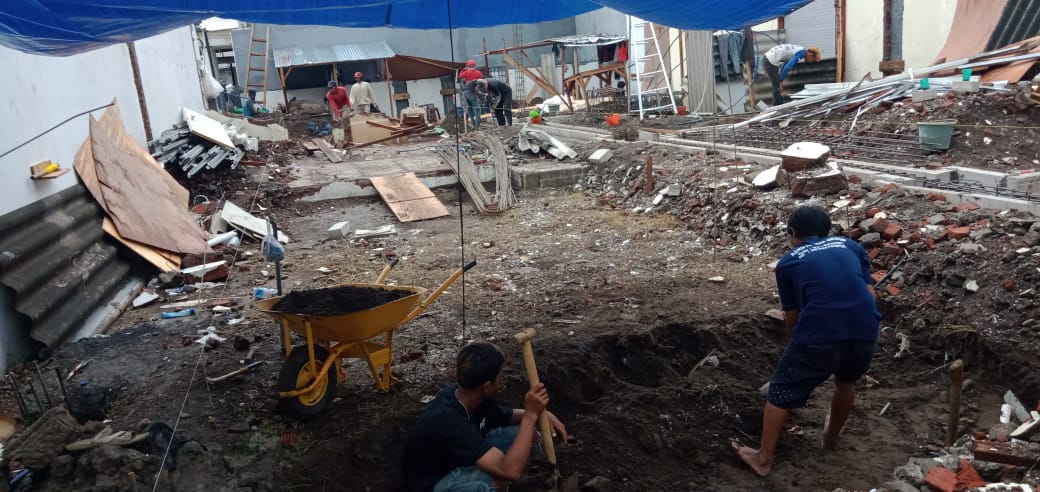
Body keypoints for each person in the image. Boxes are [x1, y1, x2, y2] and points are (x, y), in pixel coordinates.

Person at [733, 205, 880, 477]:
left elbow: (793, 316)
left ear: (792, 232)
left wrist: (792, 345)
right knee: (846, 383)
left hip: (821, 331)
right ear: (826, 230)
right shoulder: (849, 245)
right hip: (866, 326)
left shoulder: (789, 262)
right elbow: (870, 294)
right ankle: (829, 440)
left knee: (780, 390)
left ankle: (763, 459)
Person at [403, 341, 567, 492]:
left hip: (461, 459)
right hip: (436, 483)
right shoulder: (448, 421)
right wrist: (530, 416)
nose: (502, 380)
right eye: (500, 376)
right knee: (486, 486)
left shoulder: (471, 396)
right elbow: (510, 471)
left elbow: (508, 416)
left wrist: (540, 413)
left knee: (525, 434)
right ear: (487, 386)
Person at [326, 80, 353, 144]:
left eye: (331, 88)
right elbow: (333, 105)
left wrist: (350, 106)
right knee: (337, 123)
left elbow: (346, 98)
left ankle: (348, 136)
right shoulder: (329, 95)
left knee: (344, 119)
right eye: (329, 88)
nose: (330, 89)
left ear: (335, 87)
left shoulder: (342, 89)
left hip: (344, 106)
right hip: (337, 109)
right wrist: (337, 115)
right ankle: (338, 138)